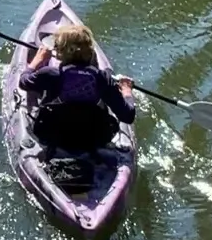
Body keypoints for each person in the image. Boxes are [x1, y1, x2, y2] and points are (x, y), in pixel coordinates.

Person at [21, 22, 135, 152]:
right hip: (94, 138)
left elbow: (23, 82)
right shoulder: (103, 78)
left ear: (60, 52)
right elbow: (128, 116)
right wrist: (126, 90)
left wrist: (37, 61)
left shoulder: (50, 74)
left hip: (52, 134)